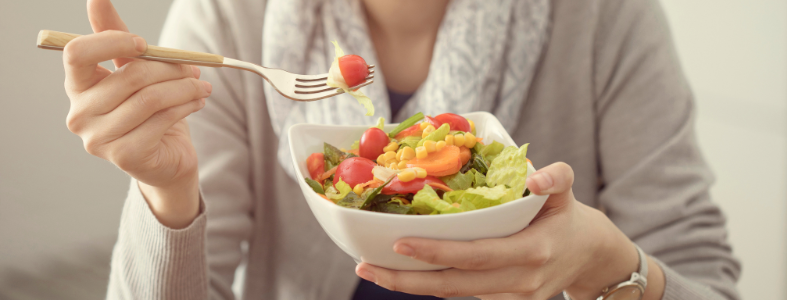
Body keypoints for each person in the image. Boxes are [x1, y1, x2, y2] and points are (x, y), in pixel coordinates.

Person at [59, 0, 740, 299]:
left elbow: (699, 278)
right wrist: (168, 194)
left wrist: (604, 267)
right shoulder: (227, 15)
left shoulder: (604, 17)